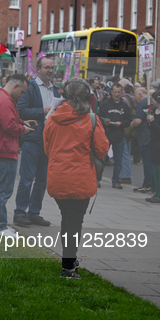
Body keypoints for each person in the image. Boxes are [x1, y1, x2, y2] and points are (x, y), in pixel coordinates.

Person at [43, 78, 109, 279]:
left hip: (58, 177)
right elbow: (102, 148)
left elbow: (47, 148)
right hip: (80, 178)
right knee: (74, 222)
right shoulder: (91, 119)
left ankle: (69, 259)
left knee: (67, 219)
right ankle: (68, 266)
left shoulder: (53, 118)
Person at [0, 74, 36, 238]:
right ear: (15, 86)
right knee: (3, 190)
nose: (22, 96)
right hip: (5, 149)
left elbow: (8, 120)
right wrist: (23, 129)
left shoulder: (0, 96)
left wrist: (22, 122)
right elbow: (9, 125)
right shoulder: (6, 100)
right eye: (22, 92)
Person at [13, 57, 60, 227]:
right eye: (47, 67)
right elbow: (21, 110)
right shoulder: (31, 88)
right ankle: (20, 213)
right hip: (32, 138)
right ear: (38, 69)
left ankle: (34, 213)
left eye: (52, 68)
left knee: (42, 180)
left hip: (48, 141)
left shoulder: (55, 90)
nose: (50, 71)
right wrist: (42, 111)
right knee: (27, 178)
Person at [97, 82, 132, 189]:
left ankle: (116, 181)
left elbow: (129, 120)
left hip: (119, 135)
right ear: (111, 92)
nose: (117, 94)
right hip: (106, 135)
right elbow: (99, 118)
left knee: (118, 160)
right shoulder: (105, 104)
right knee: (101, 159)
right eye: (115, 92)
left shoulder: (125, 106)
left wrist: (121, 124)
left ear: (121, 93)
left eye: (119, 92)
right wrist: (105, 122)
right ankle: (97, 180)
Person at [130, 87, 155, 193]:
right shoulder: (153, 102)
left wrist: (131, 124)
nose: (135, 98)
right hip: (154, 136)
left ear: (139, 95)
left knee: (147, 161)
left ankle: (148, 184)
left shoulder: (142, 103)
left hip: (145, 137)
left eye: (135, 95)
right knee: (154, 162)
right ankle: (153, 184)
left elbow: (138, 120)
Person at [146, 89, 160, 203]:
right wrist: (150, 122)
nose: (152, 101)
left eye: (154, 98)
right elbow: (152, 128)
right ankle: (156, 192)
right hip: (154, 143)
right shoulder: (154, 110)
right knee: (155, 169)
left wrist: (153, 122)